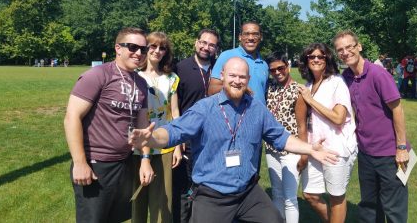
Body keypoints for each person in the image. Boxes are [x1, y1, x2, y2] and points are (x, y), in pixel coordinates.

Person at [129, 57, 339, 223]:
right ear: (222, 76)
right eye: (233, 75)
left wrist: (310, 149)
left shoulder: (257, 108)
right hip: (212, 195)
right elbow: (174, 131)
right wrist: (152, 138)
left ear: (248, 79)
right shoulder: (205, 108)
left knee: (275, 219)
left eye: (242, 77)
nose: (237, 81)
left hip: (248, 193)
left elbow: (281, 137)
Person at [64, 27, 151, 223]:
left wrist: (145, 159)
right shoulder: (98, 75)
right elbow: (72, 117)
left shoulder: (141, 83)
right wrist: (80, 163)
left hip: (125, 163)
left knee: (116, 218)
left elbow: (143, 125)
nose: (138, 53)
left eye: (143, 49)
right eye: (132, 47)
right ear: (118, 48)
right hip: (97, 164)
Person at [333, 30, 409, 223]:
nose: (345, 52)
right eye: (340, 50)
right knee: (368, 206)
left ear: (359, 46)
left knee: (394, 208)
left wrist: (401, 148)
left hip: (390, 153)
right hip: (365, 153)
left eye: (349, 47)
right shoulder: (346, 77)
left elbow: (397, 110)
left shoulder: (378, 74)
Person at [296, 43, 357, 223]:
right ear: (306, 61)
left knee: (336, 197)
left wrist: (309, 100)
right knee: (310, 194)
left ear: (327, 60)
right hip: (316, 149)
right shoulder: (309, 85)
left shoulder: (336, 82)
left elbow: (339, 118)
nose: (316, 59)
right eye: (311, 56)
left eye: (320, 56)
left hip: (336, 148)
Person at [133, 31, 182, 223]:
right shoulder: (133, 76)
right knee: (137, 201)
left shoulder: (171, 78)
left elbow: (175, 112)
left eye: (162, 47)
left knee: (162, 202)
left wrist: (177, 145)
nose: (157, 51)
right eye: (153, 46)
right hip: (136, 147)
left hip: (164, 145)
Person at [172, 28, 220, 223]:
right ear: (196, 42)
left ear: (216, 49)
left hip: (215, 139)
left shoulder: (220, 69)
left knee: (210, 188)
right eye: (203, 42)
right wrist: (179, 138)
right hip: (188, 139)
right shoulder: (180, 68)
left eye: (211, 45)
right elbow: (174, 107)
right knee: (184, 190)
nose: (206, 47)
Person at [264, 51, 305, 223]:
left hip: (290, 150)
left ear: (287, 66)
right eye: (273, 70)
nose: (277, 72)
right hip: (271, 149)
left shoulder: (298, 91)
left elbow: (302, 125)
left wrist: (304, 153)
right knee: (277, 194)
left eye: (280, 68)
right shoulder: (270, 87)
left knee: (290, 197)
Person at [208, 21, 268, 105]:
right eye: (246, 34)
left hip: (259, 116)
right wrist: (240, 88)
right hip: (234, 116)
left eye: (255, 34)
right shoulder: (226, 56)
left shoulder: (264, 64)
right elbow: (212, 90)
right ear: (240, 37)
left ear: (261, 37)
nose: (251, 38)